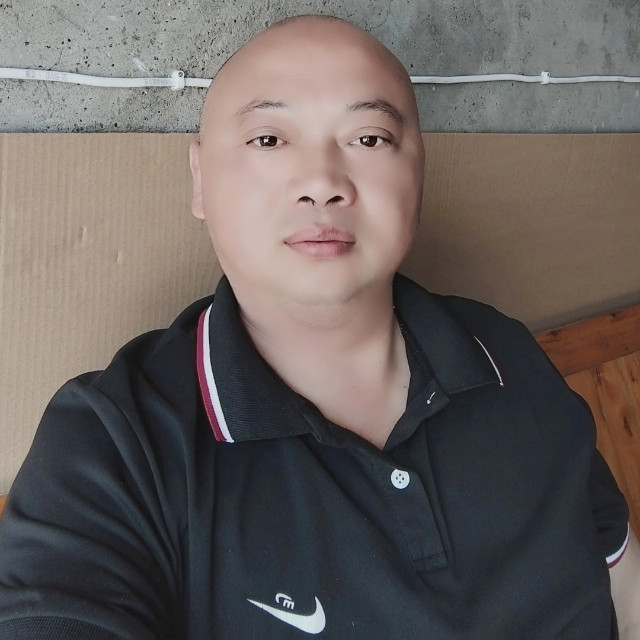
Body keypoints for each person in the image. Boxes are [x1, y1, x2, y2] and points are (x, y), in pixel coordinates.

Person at [0, 14, 638, 640]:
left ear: (419, 172)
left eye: (370, 139)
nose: (322, 185)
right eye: (268, 139)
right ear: (199, 178)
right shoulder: (115, 441)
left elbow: (620, 576)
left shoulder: (503, 352)